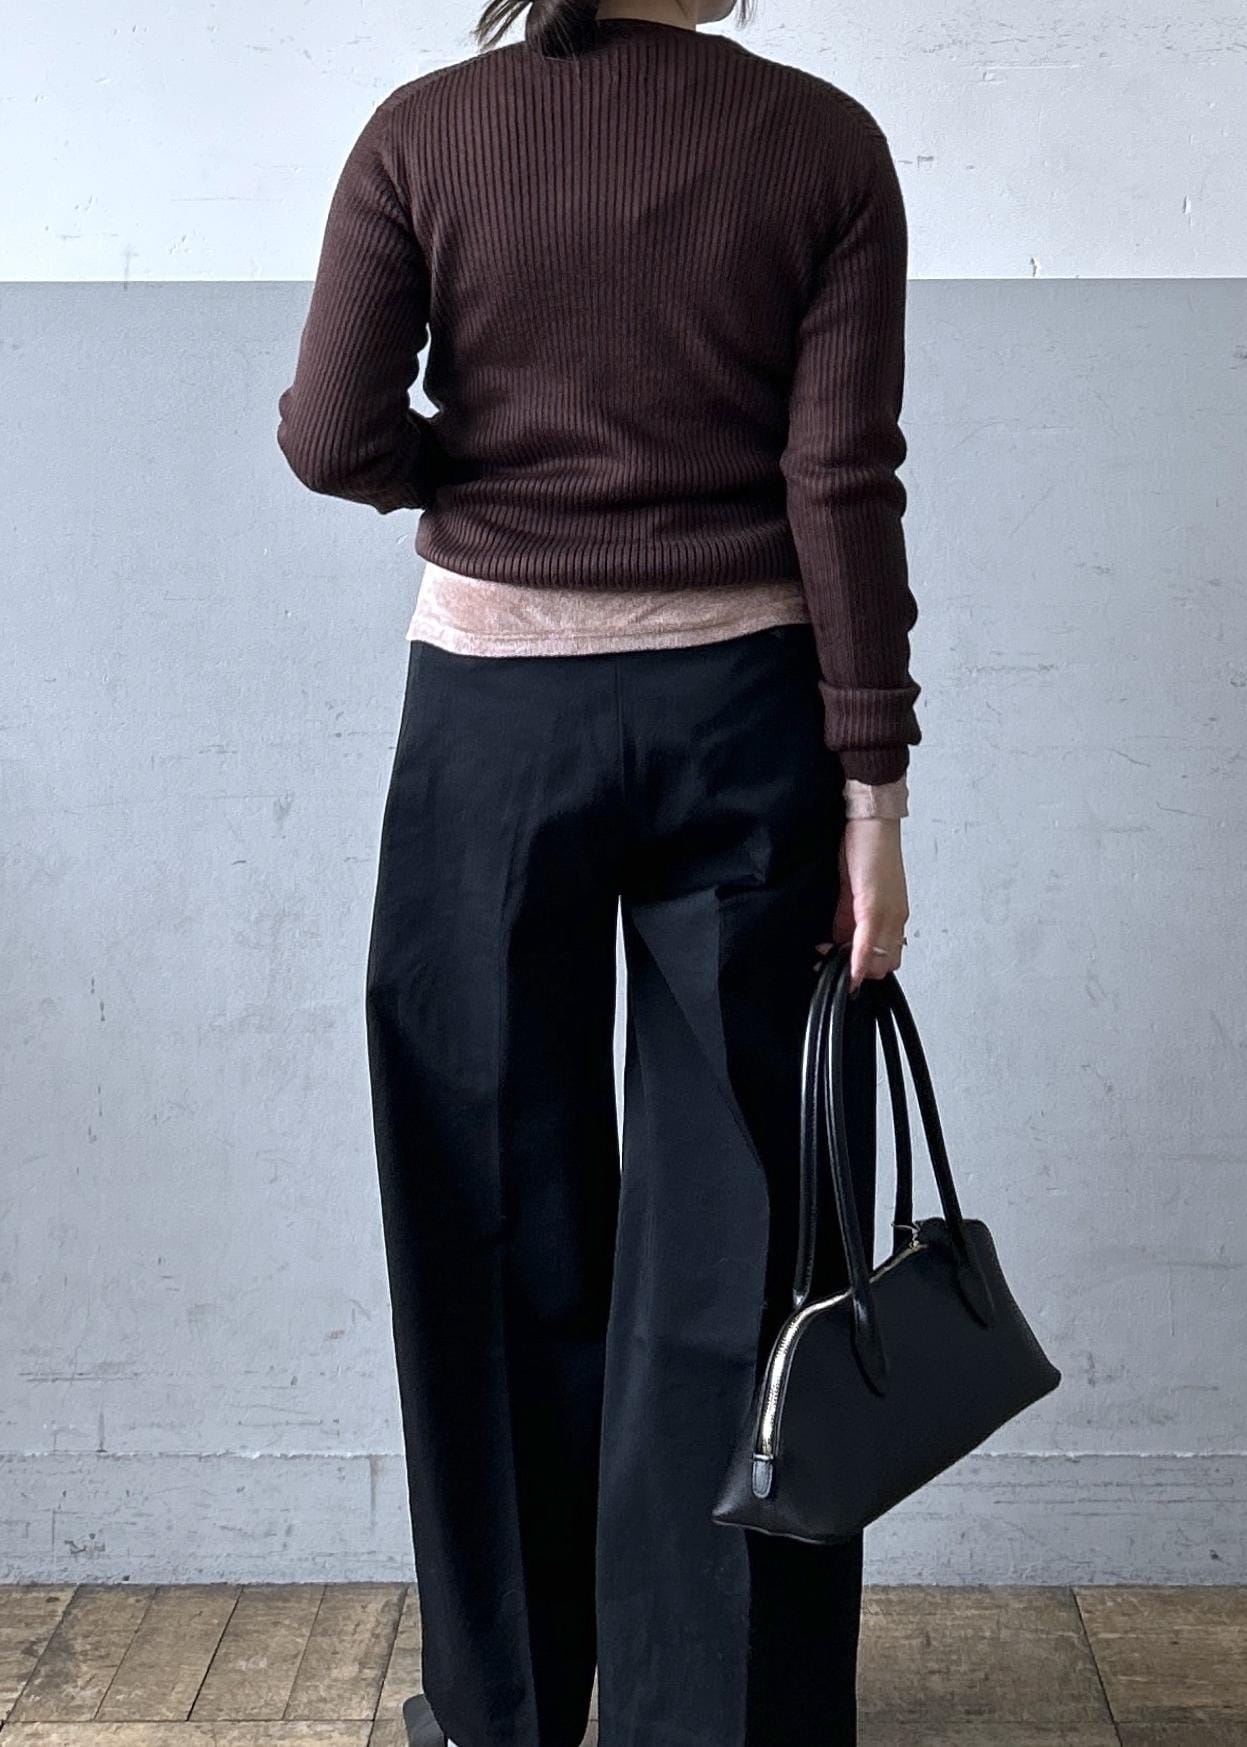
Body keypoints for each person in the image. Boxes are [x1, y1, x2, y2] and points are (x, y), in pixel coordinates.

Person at [277, 1, 920, 1742]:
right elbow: (839, 479)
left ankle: (503, 1711)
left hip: (495, 725)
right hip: (746, 726)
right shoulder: (822, 142)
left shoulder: (426, 132)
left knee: (488, 1196)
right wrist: (874, 792)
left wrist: (475, 477)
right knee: (751, 1231)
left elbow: (331, 436)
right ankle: (716, 1714)